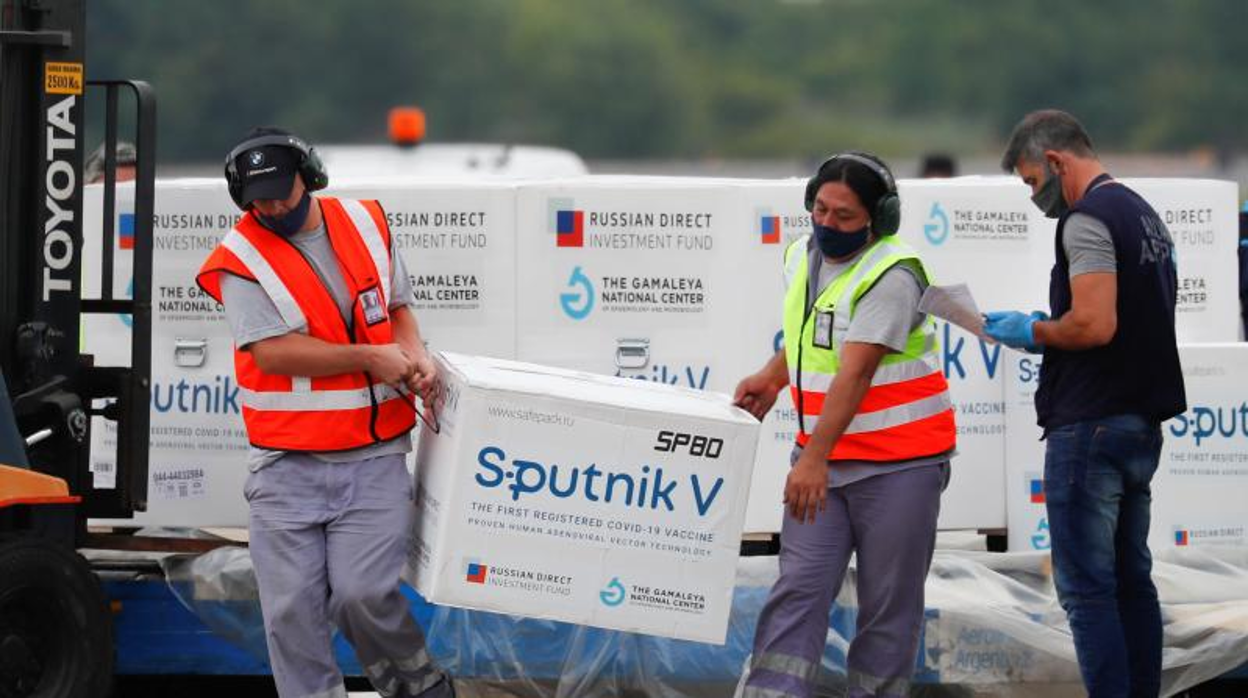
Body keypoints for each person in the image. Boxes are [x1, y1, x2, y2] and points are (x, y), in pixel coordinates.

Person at [196, 127, 454, 698]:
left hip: (373, 458)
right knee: (291, 614)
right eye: (257, 198)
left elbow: (397, 309)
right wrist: (370, 358)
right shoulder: (238, 259)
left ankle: (420, 687)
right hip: (286, 467)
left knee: (364, 595)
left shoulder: (366, 223)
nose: (272, 205)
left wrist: (415, 355)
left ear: (308, 175)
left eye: (281, 191)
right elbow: (273, 351)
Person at [734, 152, 956, 698]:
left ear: (878, 218)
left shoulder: (893, 274)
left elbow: (855, 372)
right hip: (826, 466)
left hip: (898, 468)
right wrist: (773, 375)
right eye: (820, 210)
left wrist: (812, 458)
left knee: (888, 610)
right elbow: (817, 337)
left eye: (845, 216)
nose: (827, 224)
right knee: (798, 593)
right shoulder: (800, 256)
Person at [987, 109, 1186, 698]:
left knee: (1087, 590)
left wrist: (1035, 331)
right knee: (1131, 583)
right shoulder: (1143, 213)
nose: (1034, 197)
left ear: (1054, 162)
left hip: (1092, 426)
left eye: (1030, 182)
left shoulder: (1087, 218)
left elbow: (1096, 325)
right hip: (1139, 423)